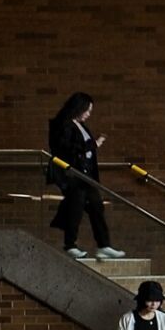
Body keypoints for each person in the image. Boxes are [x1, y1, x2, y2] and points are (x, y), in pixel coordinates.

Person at [48, 92, 124, 260]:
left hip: (85, 175)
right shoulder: (64, 125)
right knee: (75, 208)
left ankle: (104, 245)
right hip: (73, 175)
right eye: (87, 110)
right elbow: (67, 148)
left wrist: (92, 146)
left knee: (97, 205)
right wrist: (93, 144)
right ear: (78, 108)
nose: (88, 114)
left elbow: (84, 148)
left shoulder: (81, 126)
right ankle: (70, 245)